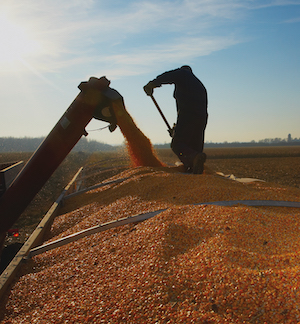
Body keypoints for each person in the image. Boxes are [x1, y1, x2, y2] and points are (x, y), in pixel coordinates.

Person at [143, 65, 208, 174]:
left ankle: (194, 158)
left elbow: (170, 75)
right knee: (192, 147)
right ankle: (193, 171)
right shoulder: (200, 86)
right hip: (201, 118)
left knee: (177, 144)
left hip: (188, 114)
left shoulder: (183, 73)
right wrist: (176, 129)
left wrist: (153, 83)